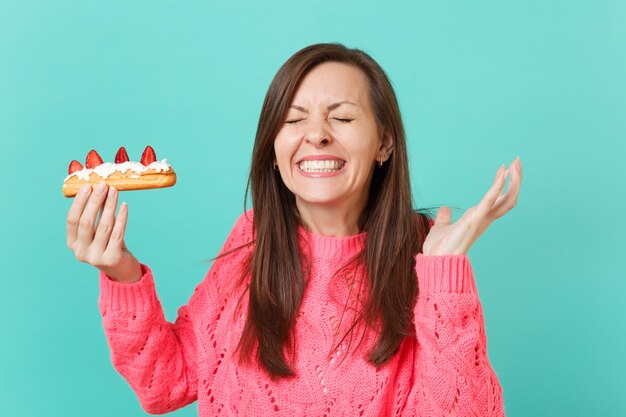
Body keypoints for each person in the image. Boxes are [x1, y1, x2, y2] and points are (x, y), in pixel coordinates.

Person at [66, 43, 522, 416]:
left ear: (384, 142)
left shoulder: (429, 260)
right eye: (293, 118)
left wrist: (443, 274)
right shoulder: (252, 239)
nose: (317, 135)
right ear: (274, 144)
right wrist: (122, 275)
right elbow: (165, 384)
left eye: (341, 117)